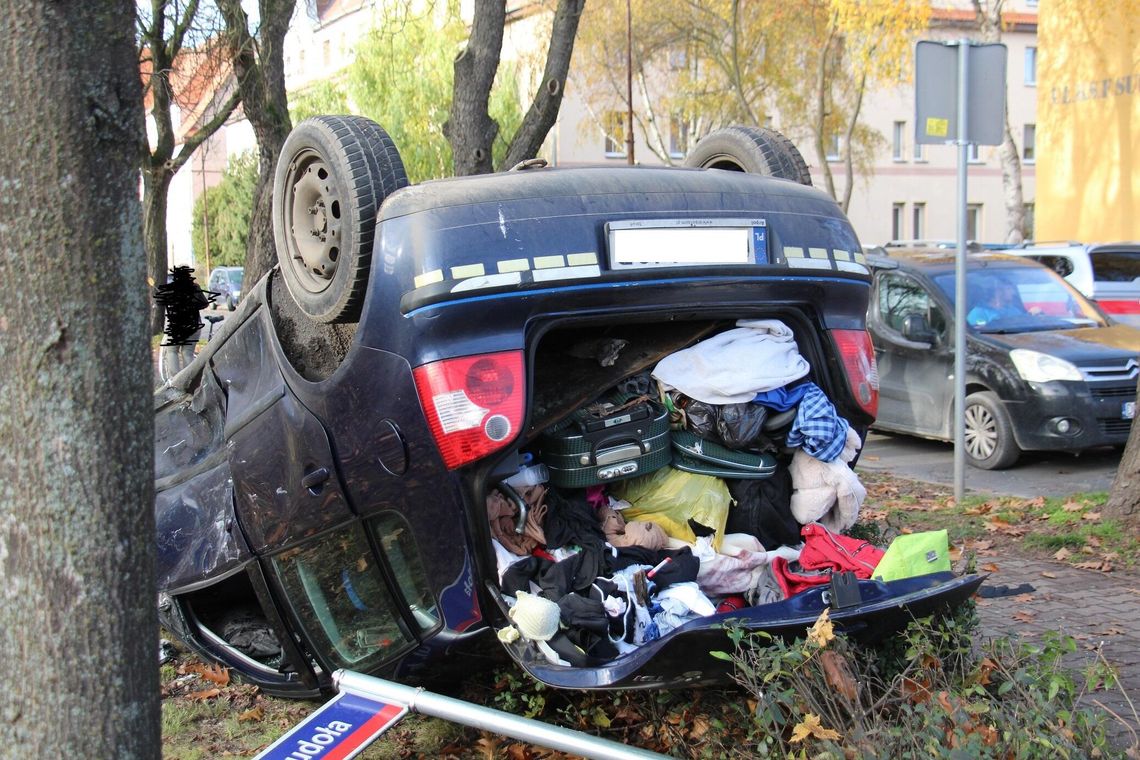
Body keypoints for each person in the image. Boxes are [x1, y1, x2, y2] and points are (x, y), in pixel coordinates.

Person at [153, 266, 215, 379]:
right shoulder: (195, 287)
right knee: (188, 353)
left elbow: (160, 302)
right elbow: (204, 303)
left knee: (171, 351)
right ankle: (190, 379)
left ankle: (176, 380)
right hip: (194, 326)